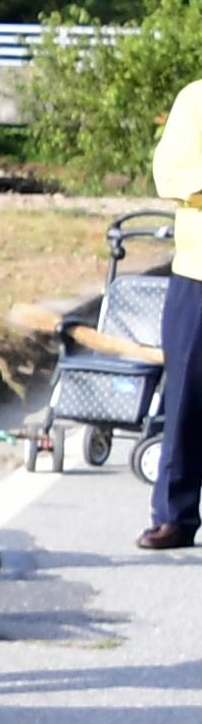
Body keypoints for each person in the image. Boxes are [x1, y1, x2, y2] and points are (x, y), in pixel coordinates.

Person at [147, 72, 202, 550]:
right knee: (186, 398)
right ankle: (176, 515)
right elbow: (171, 175)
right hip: (198, 272)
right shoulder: (196, 98)